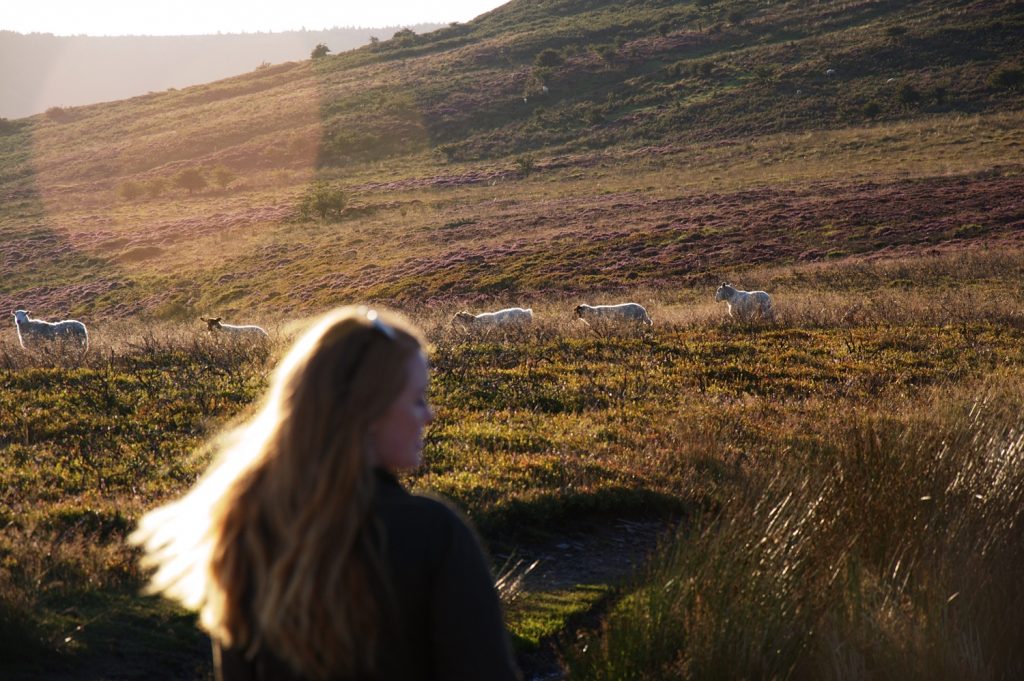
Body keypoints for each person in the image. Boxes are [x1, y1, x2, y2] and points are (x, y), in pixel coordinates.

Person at [131, 306, 522, 681]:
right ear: (369, 409)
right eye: (418, 398)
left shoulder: (247, 535)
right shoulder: (433, 535)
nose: (429, 415)